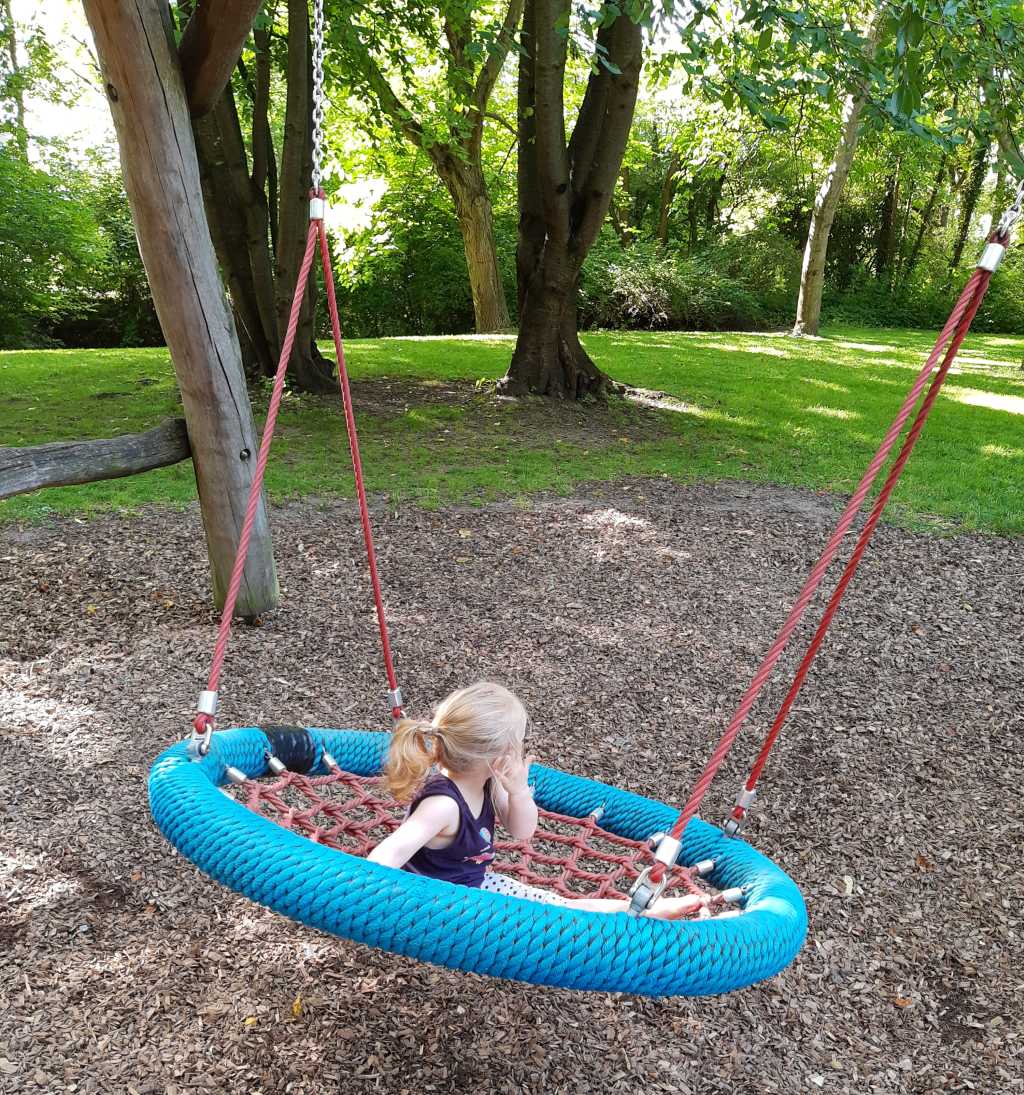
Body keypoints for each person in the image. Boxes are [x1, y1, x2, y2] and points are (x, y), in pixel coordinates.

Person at [367, 681, 705, 918]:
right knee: (557, 916)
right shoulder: (444, 804)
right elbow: (390, 853)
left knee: (555, 904)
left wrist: (517, 792)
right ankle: (643, 916)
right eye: (518, 742)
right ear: (498, 754)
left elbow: (522, 831)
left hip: (474, 887)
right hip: (445, 907)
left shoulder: (488, 783)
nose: (521, 749)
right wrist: (379, 901)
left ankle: (639, 910)